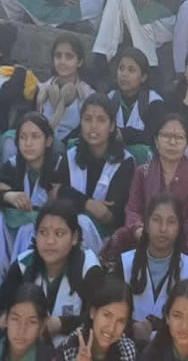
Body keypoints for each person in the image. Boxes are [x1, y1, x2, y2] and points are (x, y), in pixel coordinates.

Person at [0, 200, 102, 346]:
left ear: (74, 237)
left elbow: (100, 320)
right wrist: (6, 320)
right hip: (29, 349)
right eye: (43, 232)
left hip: (75, 352)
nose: (49, 241)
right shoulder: (23, 264)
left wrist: (60, 323)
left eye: (59, 234)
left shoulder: (88, 268)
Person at [0, 118, 68, 303]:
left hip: (45, 238)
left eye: (35, 137)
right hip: (12, 234)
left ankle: (23, 293)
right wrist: (8, 196)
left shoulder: (59, 164)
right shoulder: (12, 165)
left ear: (48, 140)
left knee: (31, 228)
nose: (28, 143)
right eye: (23, 137)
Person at [108, 114, 188, 258]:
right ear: (156, 140)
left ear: (186, 144)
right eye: (166, 136)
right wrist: (140, 230)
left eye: (179, 137)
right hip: (144, 237)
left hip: (182, 241)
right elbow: (133, 210)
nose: (172, 142)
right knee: (120, 241)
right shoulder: (142, 173)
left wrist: (168, 233)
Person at [117, 193, 188, 343]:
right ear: (146, 224)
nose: (163, 228)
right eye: (156, 220)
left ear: (179, 227)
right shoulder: (124, 263)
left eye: (171, 222)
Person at [58, 93, 135, 254]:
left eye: (101, 120)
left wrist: (71, 196)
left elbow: (109, 216)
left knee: (82, 222)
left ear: (112, 126)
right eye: (87, 119)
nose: (93, 126)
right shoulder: (71, 156)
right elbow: (57, 194)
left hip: (105, 238)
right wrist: (88, 203)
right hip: (66, 228)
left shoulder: (125, 163)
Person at [107, 47, 164, 164]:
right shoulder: (109, 98)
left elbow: (154, 137)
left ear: (143, 77)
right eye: (121, 68)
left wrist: (124, 134)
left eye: (131, 70)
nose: (124, 74)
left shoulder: (154, 102)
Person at [35, 35, 95, 143]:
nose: (62, 61)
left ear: (80, 62)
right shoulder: (42, 89)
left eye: (69, 56)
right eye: (58, 56)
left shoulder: (88, 95)